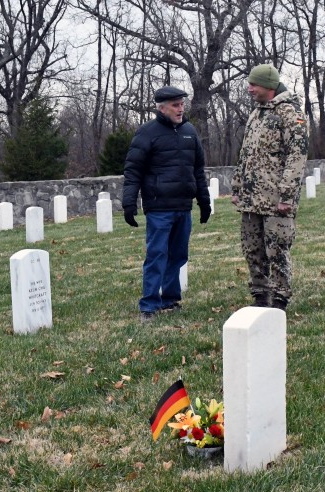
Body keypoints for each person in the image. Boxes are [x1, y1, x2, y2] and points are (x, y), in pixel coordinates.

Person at [122, 86, 212, 322]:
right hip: (159, 207)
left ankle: (170, 300)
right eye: (175, 105)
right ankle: (149, 305)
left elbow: (198, 171)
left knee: (178, 255)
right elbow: (133, 171)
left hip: (183, 206)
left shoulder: (190, 132)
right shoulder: (147, 133)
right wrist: (128, 203)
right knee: (157, 255)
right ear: (161, 108)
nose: (181, 109)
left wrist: (204, 201)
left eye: (182, 104)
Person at [231, 64, 309, 311]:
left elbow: (296, 157)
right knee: (252, 248)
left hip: (276, 200)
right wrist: (237, 187)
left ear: (268, 85)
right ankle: (260, 294)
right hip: (252, 198)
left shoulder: (290, 113)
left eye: (254, 84)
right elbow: (246, 154)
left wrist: (286, 195)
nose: (249, 88)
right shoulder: (257, 113)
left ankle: (279, 297)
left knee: (277, 250)